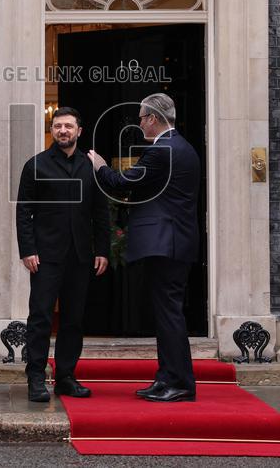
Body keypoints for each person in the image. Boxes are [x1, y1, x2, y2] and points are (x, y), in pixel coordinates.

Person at [87, 93, 201, 403]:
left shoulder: (162, 150)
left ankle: (179, 382)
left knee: (168, 315)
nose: (139, 123)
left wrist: (99, 167)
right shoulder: (183, 147)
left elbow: (124, 182)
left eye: (141, 117)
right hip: (173, 243)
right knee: (166, 314)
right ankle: (167, 378)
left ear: (152, 119)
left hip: (167, 244)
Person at [16, 107, 110, 403]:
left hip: (81, 256)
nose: (63, 131)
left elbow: (100, 212)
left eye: (69, 126)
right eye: (58, 126)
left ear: (79, 131)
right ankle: (35, 377)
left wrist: (103, 250)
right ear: (53, 130)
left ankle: (66, 377)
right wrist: (27, 249)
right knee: (41, 316)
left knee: (72, 320)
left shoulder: (90, 167)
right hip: (45, 256)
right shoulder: (36, 165)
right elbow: (24, 212)